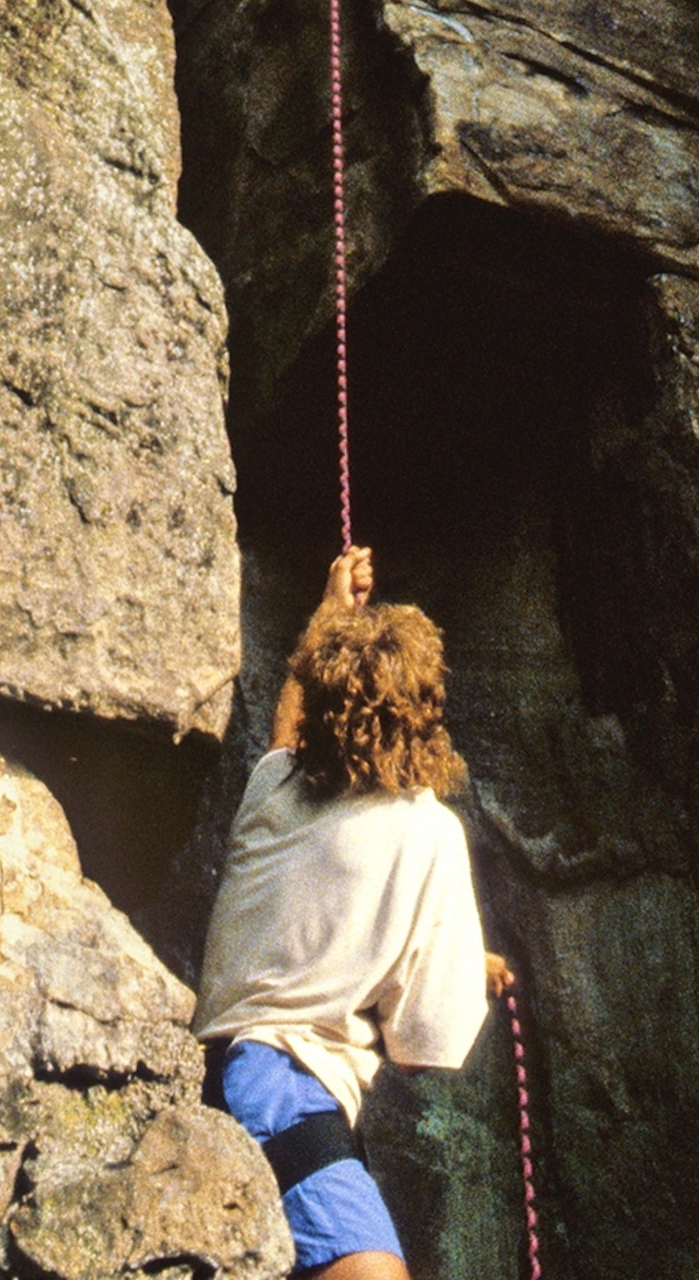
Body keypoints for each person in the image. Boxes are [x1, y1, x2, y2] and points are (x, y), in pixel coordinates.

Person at [194, 547, 512, 1279]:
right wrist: (460, 967)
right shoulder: (428, 832)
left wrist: (330, 616)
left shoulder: (273, 788)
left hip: (230, 1076)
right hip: (288, 1087)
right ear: (426, 714)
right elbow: (420, 1044)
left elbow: (286, 729)